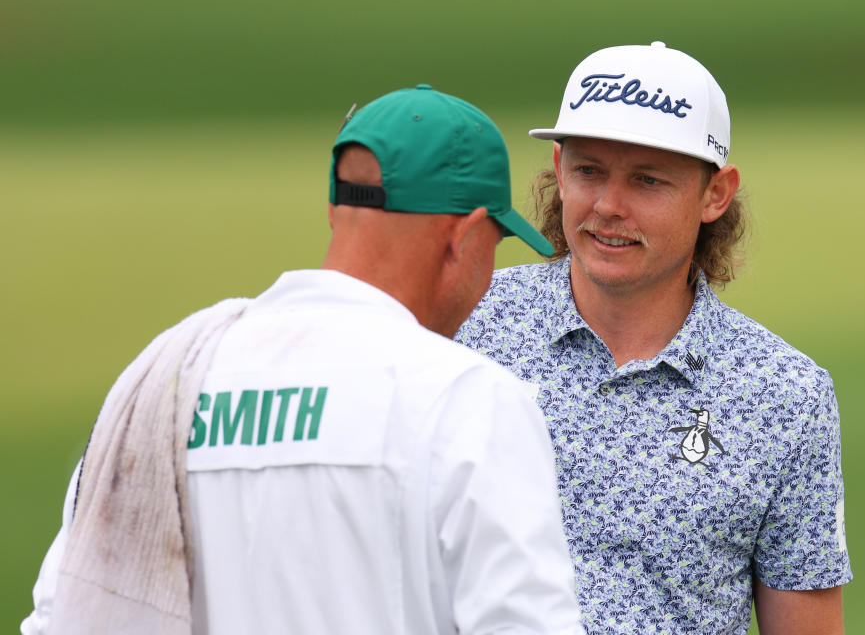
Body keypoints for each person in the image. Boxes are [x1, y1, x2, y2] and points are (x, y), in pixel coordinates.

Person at [22, 85, 584, 635]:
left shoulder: (164, 380)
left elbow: (58, 615)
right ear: (461, 239)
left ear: (336, 212)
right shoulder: (468, 398)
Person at [456, 43, 852, 634]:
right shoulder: (464, 326)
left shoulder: (785, 395)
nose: (609, 206)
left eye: (648, 180)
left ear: (715, 193)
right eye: (589, 171)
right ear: (559, 168)